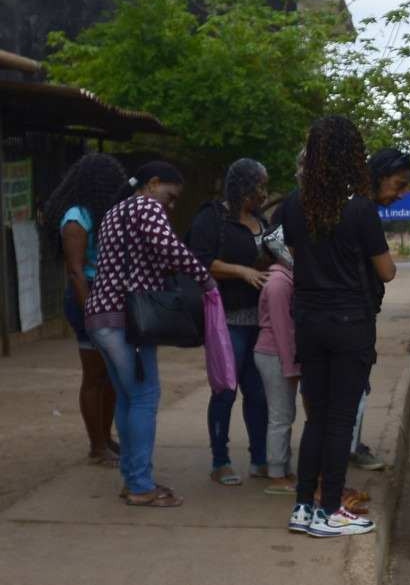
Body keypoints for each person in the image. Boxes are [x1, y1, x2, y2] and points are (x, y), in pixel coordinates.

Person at [282, 116, 396, 538]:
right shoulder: (360, 209)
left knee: (315, 419)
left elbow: (295, 255)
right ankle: (331, 510)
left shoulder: (293, 204)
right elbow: (385, 272)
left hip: (308, 319)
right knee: (340, 419)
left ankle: (303, 507)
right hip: (349, 322)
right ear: (353, 157)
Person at [85, 161, 216, 508]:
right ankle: (141, 485)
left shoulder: (114, 211)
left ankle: (133, 479)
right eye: (170, 197)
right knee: (144, 397)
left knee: (128, 397)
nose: (170, 206)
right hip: (128, 320)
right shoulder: (145, 206)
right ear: (153, 183)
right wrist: (204, 278)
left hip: (101, 316)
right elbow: (169, 248)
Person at [187, 158, 271, 486]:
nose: (263, 193)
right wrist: (241, 270)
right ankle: (219, 460)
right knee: (225, 389)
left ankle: (260, 458)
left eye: (265, 186)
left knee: (258, 392)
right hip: (227, 320)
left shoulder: (260, 220)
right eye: (258, 186)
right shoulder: (213, 218)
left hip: (260, 321)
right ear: (241, 186)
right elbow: (199, 262)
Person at [43, 153, 128, 466]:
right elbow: (76, 271)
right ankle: (96, 446)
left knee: (111, 374)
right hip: (87, 299)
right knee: (94, 374)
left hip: (109, 298)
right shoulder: (77, 217)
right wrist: (91, 312)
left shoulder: (107, 213)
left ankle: (106, 437)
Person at [347, 148, 410, 473]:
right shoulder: (364, 211)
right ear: (378, 176)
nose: (400, 195)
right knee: (356, 388)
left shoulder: (337, 205)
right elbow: (386, 270)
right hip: (353, 315)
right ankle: (347, 452)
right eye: (398, 185)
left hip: (327, 313)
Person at [253, 226, 299, 495]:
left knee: (284, 414)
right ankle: (276, 474)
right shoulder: (280, 282)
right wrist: (291, 365)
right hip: (275, 353)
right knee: (281, 416)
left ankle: (283, 468)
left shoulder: (283, 277)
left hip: (274, 352)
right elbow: (283, 328)